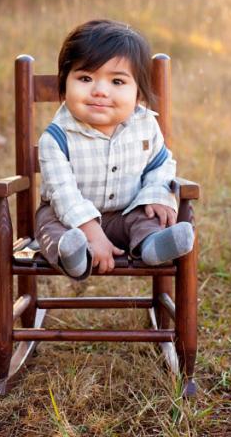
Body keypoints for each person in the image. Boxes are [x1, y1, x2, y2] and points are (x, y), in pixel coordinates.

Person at [35, 19, 195, 280]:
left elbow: (160, 165)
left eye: (117, 82)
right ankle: (76, 256)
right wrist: (90, 231)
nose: (100, 91)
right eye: (85, 78)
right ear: (64, 84)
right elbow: (62, 193)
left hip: (124, 213)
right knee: (50, 229)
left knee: (145, 217)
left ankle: (152, 244)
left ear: (139, 92)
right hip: (66, 218)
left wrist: (156, 195)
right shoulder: (56, 137)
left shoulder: (145, 125)